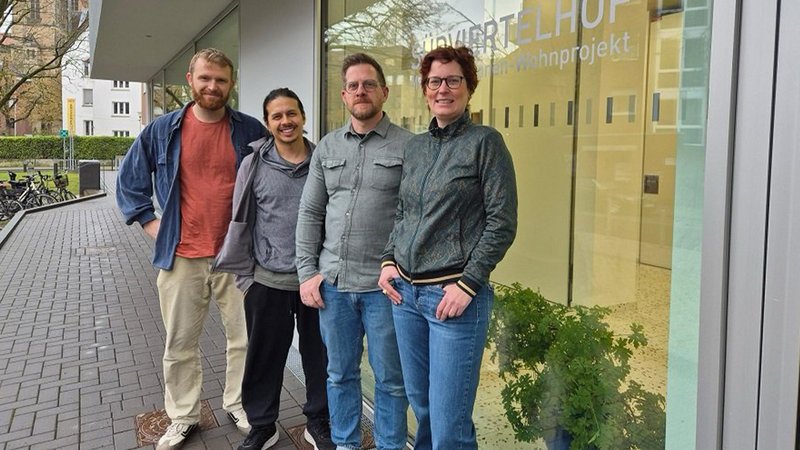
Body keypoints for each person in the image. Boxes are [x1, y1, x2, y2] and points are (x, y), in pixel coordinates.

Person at [116, 48, 266, 450]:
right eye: (205, 78)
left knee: (245, 339)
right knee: (180, 344)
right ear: (190, 80)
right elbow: (129, 181)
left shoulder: (250, 130)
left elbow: (275, 181)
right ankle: (183, 415)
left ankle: (239, 404)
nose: (212, 86)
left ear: (231, 84)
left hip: (238, 256)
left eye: (220, 80)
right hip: (182, 256)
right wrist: (151, 223)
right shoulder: (162, 130)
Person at [378, 45, 518, 450]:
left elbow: (502, 222)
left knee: (448, 424)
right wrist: (388, 261)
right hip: (406, 297)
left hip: (452, 299)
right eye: (435, 81)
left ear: (469, 87)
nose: (443, 89)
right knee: (423, 408)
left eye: (453, 80)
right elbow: (404, 212)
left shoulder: (485, 143)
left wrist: (469, 283)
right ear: (425, 90)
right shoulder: (416, 147)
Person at [295, 53, 411, 450]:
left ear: (385, 92)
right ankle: (345, 444)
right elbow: (310, 212)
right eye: (353, 86)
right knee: (340, 375)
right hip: (334, 286)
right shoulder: (327, 147)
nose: (361, 91)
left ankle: (390, 445)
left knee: (391, 380)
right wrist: (306, 272)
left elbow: (414, 216)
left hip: (386, 290)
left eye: (369, 84)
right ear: (344, 95)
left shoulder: (409, 147)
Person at [214, 88, 335, 450]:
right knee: (263, 359)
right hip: (267, 280)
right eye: (277, 116)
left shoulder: (323, 162)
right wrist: (247, 279)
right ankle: (263, 426)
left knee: (320, 357)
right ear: (267, 123)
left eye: (291, 113)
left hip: (315, 281)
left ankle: (318, 421)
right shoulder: (253, 165)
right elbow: (241, 220)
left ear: (303, 117)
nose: (286, 122)